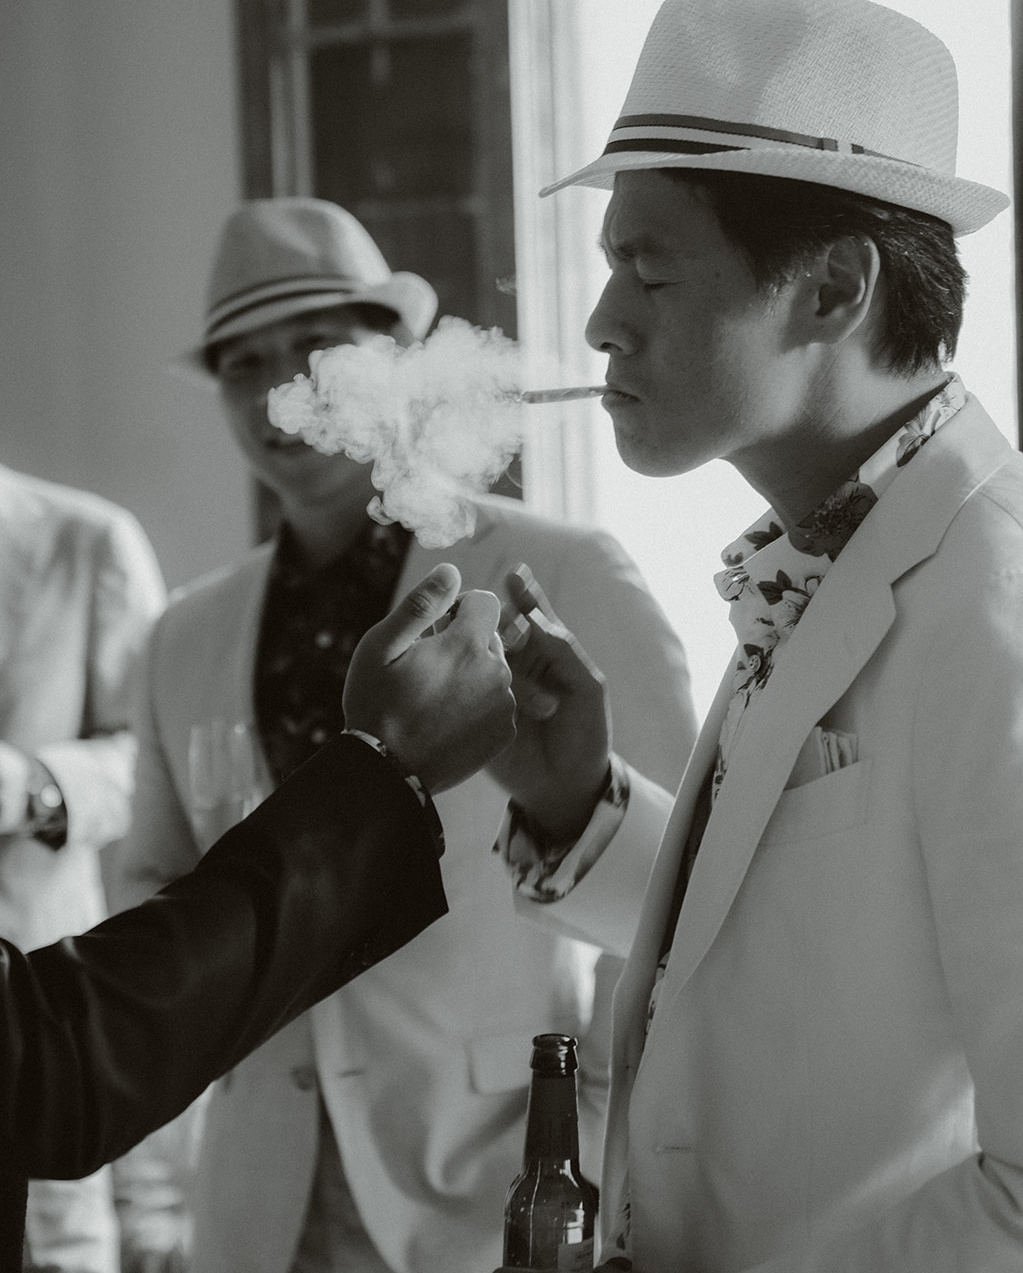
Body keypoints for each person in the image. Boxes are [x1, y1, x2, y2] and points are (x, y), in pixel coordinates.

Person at [490, 0, 1023, 1271]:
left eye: (647, 267)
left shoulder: (1006, 602)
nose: (599, 320)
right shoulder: (833, 548)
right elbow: (819, 958)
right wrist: (577, 799)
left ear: (831, 288)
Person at [115, 197, 695, 1273]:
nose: (275, 387)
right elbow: (149, 877)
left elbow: (673, 890)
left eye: (311, 343)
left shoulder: (562, 571)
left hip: (493, 1179)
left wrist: (596, 1144)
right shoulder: (185, 633)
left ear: (398, 358)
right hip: (257, 1197)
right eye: (242, 363)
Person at [2, 561, 514, 1273]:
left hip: (471, 1180)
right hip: (248, 1185)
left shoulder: (558, 566)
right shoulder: (186, 625)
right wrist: (381, 768)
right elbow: (43, 1059)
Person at [0, 461, 167, 1273]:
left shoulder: (87, 540)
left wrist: (32, 786)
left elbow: (154, 756)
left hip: (29, 993)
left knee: (53, 1239)